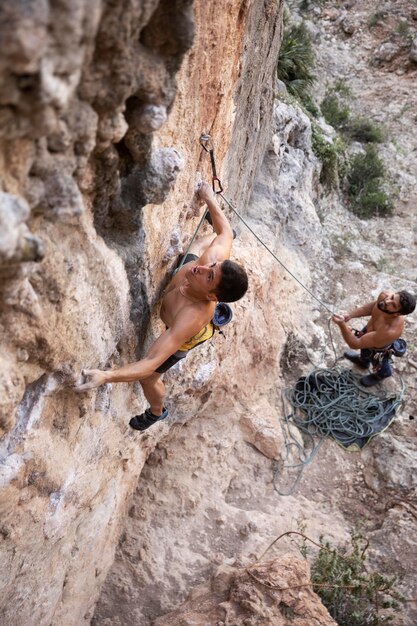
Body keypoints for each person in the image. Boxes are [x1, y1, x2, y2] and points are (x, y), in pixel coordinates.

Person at [75, 181, 248, 429]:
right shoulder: (208, 264)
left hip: (183, 319)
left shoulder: (191, 319)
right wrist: (209, 197)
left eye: (211, 276)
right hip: (184, 281)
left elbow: (150, 362)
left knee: (148, 379)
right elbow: (226, 233)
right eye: (212, 268)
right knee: (204, 248)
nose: (204, 268)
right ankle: (206, 265)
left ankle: (157, 412)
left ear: (212, 297)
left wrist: (106, 377)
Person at [332, 290, 416, 386]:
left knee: (379, 362)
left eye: (393, 305)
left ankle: (382, 374)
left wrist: (342, 325)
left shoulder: (389, 331)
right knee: (364, 351)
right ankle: (363, 362)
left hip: (379, 348)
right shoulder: (384, 296)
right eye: (392, 297)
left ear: (397, 314)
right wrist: (350, 315)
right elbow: (371, 308)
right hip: (369, 332)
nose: (387, 301)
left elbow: (355, 344)